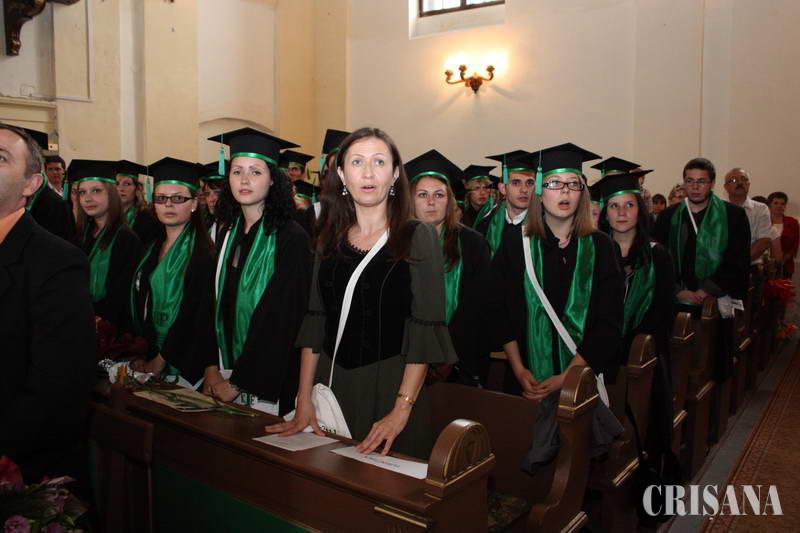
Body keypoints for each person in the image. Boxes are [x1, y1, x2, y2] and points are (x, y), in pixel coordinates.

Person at [267, 127, 457, 459]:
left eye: (379, 162)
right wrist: (304, 397)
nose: (368, 173)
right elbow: (316, 321)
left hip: (389, 387)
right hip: (330, 383)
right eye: (357, 162)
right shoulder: (328, 236)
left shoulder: (417, 236)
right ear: (341, 174)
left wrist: (401, 410)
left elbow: (423, 331)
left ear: (395, 174)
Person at [491, 142, 624, 464]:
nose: (564, 192)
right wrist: (519, 369)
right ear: (540, 190)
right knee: (522, 460)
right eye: (553, 183)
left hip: (580, 382)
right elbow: (500, 312)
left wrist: (566, 379)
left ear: (582, 192)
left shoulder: (601, 248)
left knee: (575, 465)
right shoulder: (515, 244)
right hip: (526, 382)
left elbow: (608, 323)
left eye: (572, 184)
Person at [0, 124, 96, 498]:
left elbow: (57, 390)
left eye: (0, 158)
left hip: (24, 475)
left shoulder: (56, 261)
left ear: (31, 184)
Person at [208, 127, 311, 415]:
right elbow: (214, 305)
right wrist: (211, 367)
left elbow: (281, 318)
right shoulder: (227, 234)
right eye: (237, 171)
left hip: (268, 381)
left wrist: (238, 382)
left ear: (273, 179)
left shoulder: (291, 238)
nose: (244, 179)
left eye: (255, 171)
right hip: (225, 370)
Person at [597, 170, 676, 465]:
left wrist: (628, 348)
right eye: (614, 206)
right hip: (600, 353)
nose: (621, 212)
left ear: (639, 211)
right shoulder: (592, 252)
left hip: (643, 355)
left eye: (629, 205)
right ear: (605, 213)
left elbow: (663, 314)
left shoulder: (657, 256)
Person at [652, 158, 750, 386]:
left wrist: (706, 290)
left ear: (712, 184)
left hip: (713, 301)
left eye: (701, 181)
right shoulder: (668, 216)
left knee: (711, 366)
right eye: (690, 181)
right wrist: (677, 290)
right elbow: (657, 261)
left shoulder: (733, 216)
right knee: (673, 366)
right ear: (684, 183)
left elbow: (737, 261)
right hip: (676, 302)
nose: (695, 187)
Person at [129, 158, 218, 390]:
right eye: (161, 198)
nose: (168, 204)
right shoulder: (150, 248)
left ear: (193, 203)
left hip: (186, 364)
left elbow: (195, 315)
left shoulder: (204, 254)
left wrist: (161, 360)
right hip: (151, 356)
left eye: (178, 198)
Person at [407, 149, 492, 386]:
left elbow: (477, 306)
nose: (431, 202)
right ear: (411, 200)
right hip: (406, 358)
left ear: (450, 200)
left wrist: (448, 357)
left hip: (461, 359)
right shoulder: (396, 245)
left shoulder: (473, 244)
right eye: (422, 195)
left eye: (439, 194)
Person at [72, 159, 143, 331]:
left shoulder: (127, 239)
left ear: (112, 193)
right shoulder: (82, 234)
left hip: (110, 327)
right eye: (82, 192)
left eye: (96, 190)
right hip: (81, 319)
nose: (87, 198)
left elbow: (121, 295)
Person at [476, 151, 534, 257]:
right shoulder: (486, 226)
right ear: (503, 188)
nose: (524, 189)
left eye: (530, 183)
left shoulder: (544, 226)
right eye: (516, 183)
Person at [723, 168, 773, 265]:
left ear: (749, 184)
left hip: (751, 267)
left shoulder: (761, 209)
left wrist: (739, 263)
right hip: (721, 267)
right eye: (734, 180)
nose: (740, 183)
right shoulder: (717, 209)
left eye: (744, 179)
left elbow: (764, 241)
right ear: (726, 187)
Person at [116, 160, 162, 245]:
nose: (120, 188)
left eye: (127, 184)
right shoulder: (106, 216)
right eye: (117, 184)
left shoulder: (147, 219)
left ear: (137, 189)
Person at [768, 192, 798, 278]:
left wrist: (782, 260)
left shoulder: (793, 222)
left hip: (786, 265)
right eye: (776, 203)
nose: (779, 206)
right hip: (765, 265)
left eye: (782, 204)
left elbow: (795, 244)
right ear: (770, 205)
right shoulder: (763, 221)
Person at [198, 161, 227, 244]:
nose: (211, 199)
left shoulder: (237, 227)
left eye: (217, 193)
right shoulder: (208, 226)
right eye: (207, 194)